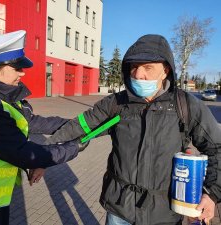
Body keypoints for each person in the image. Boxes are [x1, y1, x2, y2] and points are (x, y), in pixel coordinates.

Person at [46, 34, 221, 225]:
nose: (138, 74)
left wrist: (211, 194)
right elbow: (80, 126)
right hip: (120, 211)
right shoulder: (117, 103)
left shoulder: (185, 105)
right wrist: (44, 154)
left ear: (165, 70)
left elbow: (216, 148)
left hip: (165, 215)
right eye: (134, 67)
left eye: (148, 67)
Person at [0, 30, 87, 225]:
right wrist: (74, 147)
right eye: (16, 67)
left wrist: (76, 125)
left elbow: (32, 122)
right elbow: (24, 153)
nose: (23, 72)